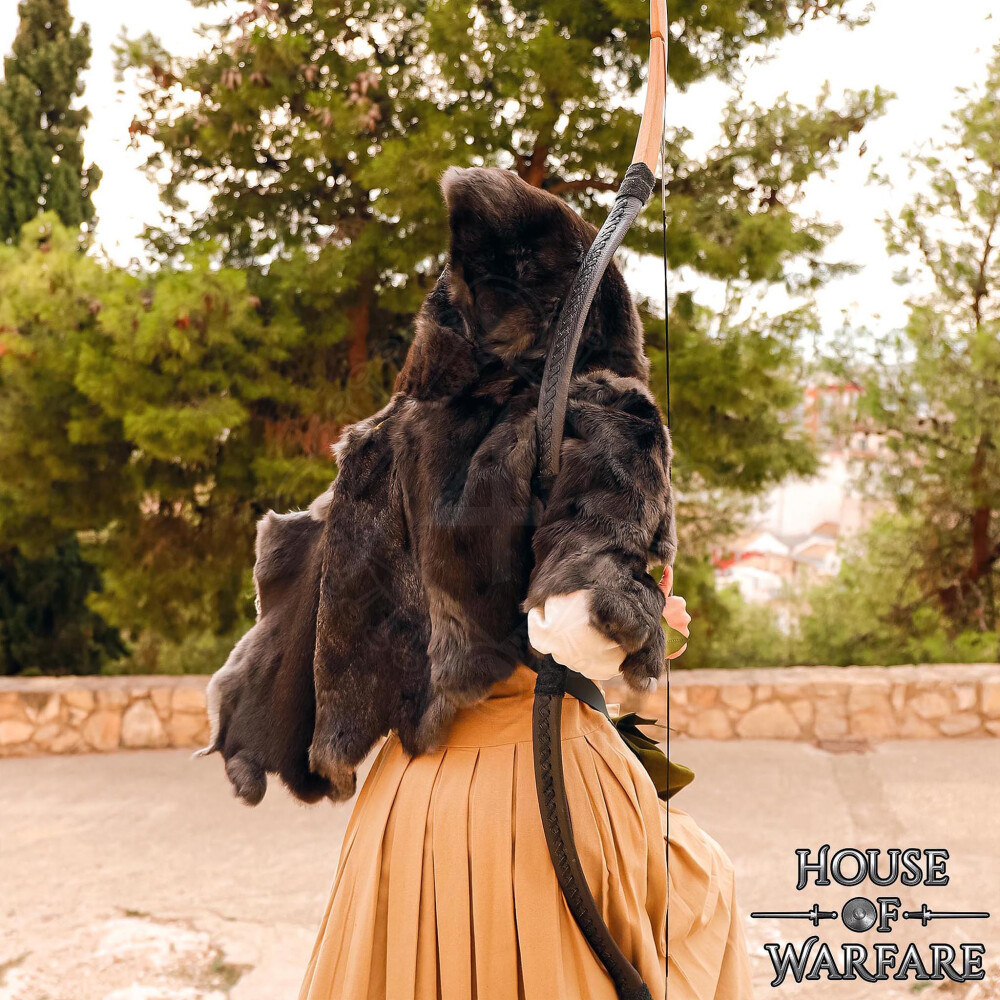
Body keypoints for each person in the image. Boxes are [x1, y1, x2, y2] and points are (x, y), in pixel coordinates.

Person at [200, 167, 752, 1000]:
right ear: (595, 310)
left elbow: (299, 625)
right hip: (541, 797)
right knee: (704, 897)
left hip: (405, 808)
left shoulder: (387, 441)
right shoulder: (606, 416)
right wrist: (646, 615)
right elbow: (575, 627)